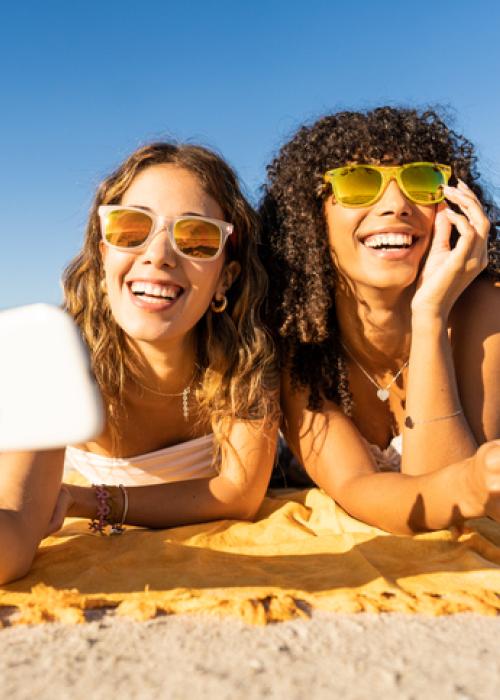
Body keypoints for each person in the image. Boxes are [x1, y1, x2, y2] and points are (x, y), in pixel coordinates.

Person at [0, 142, 279, 584]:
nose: (159, 255)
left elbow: (238, 494)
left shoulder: (245, 364)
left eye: (197, 238)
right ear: (102, 249)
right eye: (132, 229)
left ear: (226, 275)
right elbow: (13, 532)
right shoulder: (55, 364)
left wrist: (86, 500)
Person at [260, 106, 500, 533]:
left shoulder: (485, 312)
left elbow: (456, 512)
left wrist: (430, 314)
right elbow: (365, 489)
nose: (396, 205)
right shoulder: (296, 342)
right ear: (311, 216)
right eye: (357, 184)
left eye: (423, 182)